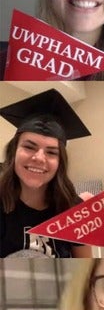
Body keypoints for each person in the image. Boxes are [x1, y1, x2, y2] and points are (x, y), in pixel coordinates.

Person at [0, 89, 92, 257]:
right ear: (14, 152)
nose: (39, 158)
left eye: (51, 152)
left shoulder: (76, 210)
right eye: (29, 147)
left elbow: (85, 268)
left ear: (60, 162)